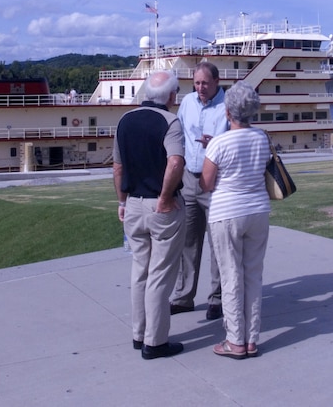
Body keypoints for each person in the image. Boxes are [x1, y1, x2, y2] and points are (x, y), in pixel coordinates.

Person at [113, 70, 187, 360]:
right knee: (160, 275)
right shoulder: (170, 122)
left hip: (132, 203)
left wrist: (121, 201)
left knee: (139, 271)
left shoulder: (124, 120)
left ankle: (138, 333)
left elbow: (118, 167)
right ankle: (155, 342)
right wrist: (167, 197)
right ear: (170, 96)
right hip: (161, 207)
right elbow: (176, 161)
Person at [200, 81, 271, 360]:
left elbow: (207, 184)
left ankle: (234, 341)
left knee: (230, 276)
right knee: (253, 275)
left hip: (227, 212)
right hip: (258, 210)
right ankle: (251, 339)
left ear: (228, 112)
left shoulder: (218, 143)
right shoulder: (262, 138)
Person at [170, 62, 229, 321]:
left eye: (205, 83)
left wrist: (213, 143)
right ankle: (184, 297)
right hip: (189, 179)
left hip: (216, 182)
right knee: (188, 241)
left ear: (216, 81)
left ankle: (217, 299)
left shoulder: (228, 105)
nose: (200, 88)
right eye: (196, 83)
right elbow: (180, 134)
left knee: (218, 243)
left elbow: (233, 140)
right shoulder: (187, 103)